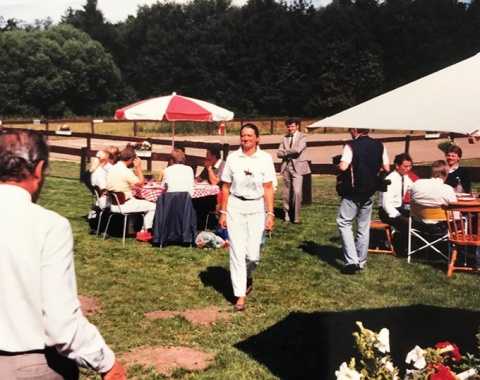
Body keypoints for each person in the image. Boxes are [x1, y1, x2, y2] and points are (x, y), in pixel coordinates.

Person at [0, 129, 126, 379]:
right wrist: (106, 362)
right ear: (39, 169)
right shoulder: (48, 225)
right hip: (29, 363)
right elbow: (61, 324)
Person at [219, 123, 276, 311]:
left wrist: (270, 213)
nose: (246, 138)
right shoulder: (233, 158)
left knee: (252, 254)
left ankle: (248, 275)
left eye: (250, 135)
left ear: (257, 138)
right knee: (237, 252)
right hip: (235, 206)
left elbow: (268, 187)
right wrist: (223, 212)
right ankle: (240, 295)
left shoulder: (265, 159)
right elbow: (226, 187)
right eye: (243, 135)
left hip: (257, 207)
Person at [336, 128, 390, 274]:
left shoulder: (350, 145)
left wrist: (337, 165)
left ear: (354, 130)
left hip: (353, 191)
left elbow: (343, 166)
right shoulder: (380, 145)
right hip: (370, 190)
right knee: (363, 226)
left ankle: (351, 260)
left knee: (344, 222)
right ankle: (361, 260)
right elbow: (386, 167)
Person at [106, 146, 156, 231]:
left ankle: (131, 227)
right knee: (154, 206)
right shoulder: (126, 171)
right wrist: (138, 168)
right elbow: (141, 184)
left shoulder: (112, 168)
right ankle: (144, 230)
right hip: (123, 205)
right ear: (131, 159)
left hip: (113, 203)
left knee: (134, 199)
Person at [276, 119, 311, 224]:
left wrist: (285, 151)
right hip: (286, 167)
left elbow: (298, 150)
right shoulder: (284, 138)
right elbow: (278, 153)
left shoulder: (303, 137)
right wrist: (284, 152)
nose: (290, 128)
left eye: (292, 126)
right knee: (286, 193)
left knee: (296, 192)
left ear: (297, 126)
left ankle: (295, 218)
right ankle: (286, 216)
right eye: (288, 127)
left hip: (298, 168)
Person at [410, 160, 457, 234]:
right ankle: (461, 245)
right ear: (446, 173)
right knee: (469, 219)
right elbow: (455, 214)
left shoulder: (417, 184)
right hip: (439, 227)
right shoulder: (447, 189)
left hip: (417, 225)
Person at [378, 153, 414, 233]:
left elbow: (413, 188)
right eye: (405, 166)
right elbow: (386, 205)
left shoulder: (405, 177)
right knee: (408, 224)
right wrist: (401, 218)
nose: (408, 169)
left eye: (410, 166)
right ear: (397, 166)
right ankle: (399, 242)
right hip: (387, 212)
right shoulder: (389, 180)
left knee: (417, 219)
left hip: (399, 208)